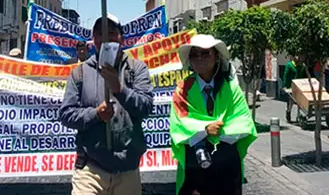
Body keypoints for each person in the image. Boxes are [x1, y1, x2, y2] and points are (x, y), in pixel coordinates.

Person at [59, 15, 154, 195]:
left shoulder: (137, 69)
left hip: (127, 169)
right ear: (93, 39)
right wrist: (95, 114)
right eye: (100, 33)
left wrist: (120, 90)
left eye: (111, 33)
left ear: (121, 38)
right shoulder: (80, 72)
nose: (106, 39)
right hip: (90, 168)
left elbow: (146, 108)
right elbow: (66, 115)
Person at [170, 34, 257, 195]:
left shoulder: (231, 87)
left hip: (226, 165)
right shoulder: (183, 89)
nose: (200, 58)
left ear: (216, 57)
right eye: (194, 55)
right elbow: (179, 125)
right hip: (195, 166)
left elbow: (244, 123)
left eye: (205, 53)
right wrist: (205, 129)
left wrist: (218, 132)